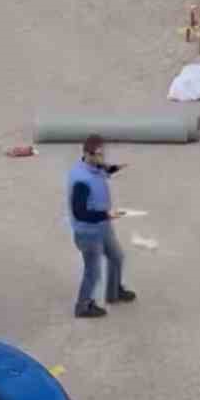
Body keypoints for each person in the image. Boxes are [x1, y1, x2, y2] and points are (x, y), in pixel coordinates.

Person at [67, 134, 136, 320]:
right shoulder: (81, 180)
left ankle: (114, 292)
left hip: (102, 227)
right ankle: (83, 306)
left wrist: (114, 169)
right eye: (98, 155)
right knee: (93, 272)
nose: (101, 158)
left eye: (102, 154)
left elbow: (102, 170)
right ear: (87, 154)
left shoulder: (93, 166)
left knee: (116, 257)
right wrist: (106, 214)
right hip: (88, 234)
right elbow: (79, 213)